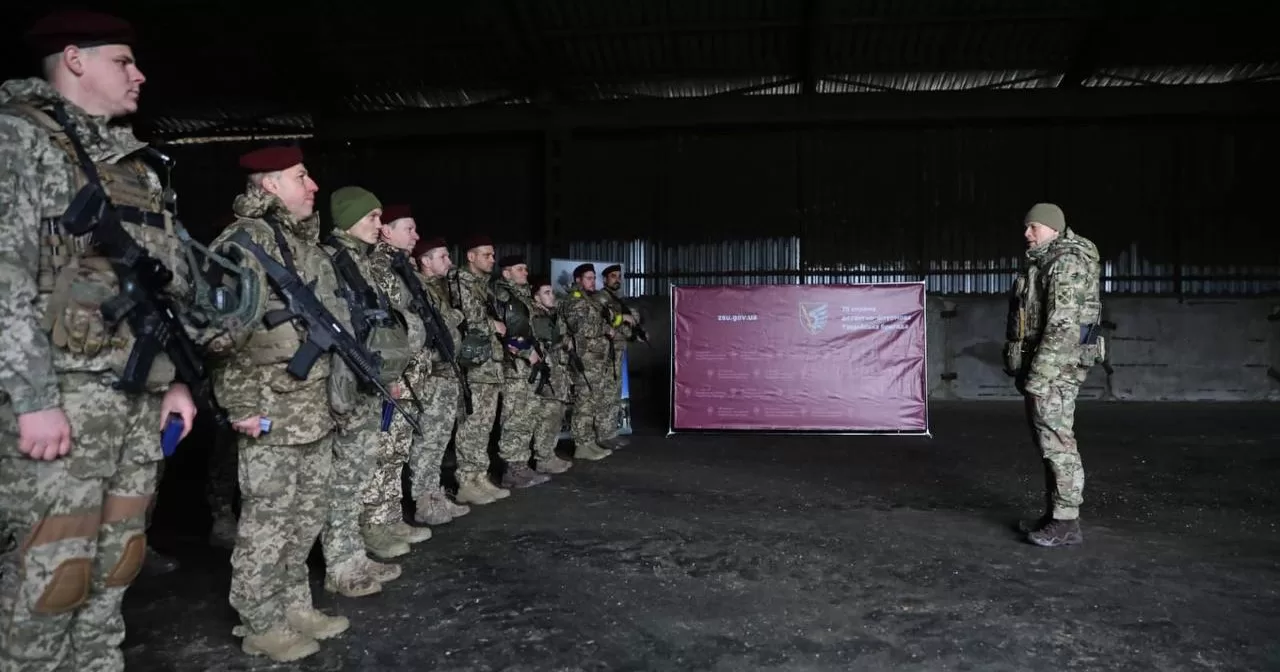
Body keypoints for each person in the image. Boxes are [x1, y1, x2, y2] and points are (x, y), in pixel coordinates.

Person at [0, 11, 205, 672]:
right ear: (75, 59)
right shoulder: (18, 141)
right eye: (124, 60)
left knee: (118, 562)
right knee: (51, 572)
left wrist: (173, 378)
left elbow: (155, 291)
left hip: (136, 394)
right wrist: (32, 398)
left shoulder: (133, 167)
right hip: (62, 392)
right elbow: (3, 276)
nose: (138, 74)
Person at [205, 146, 348, 661]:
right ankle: (259, 619)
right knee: (268, 520)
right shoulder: (244, 244)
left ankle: (294, 604)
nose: (313, 186)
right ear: (269, 185)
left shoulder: (301, 245)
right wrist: (240, 404)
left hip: (312, 407)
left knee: (306, 516)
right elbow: (223, 333)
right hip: (269, 406)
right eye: (301, 176)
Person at [318, 187, 422, 592]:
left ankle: (353, 555)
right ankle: (340, 566)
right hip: (342, 385)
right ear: (348, 219)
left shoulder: (359, 264)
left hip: (365, 383)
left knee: (357, 477)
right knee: (342, 482)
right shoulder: (332, 260)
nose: (378, 226)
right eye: (372, 217)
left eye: (382, 217)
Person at [1004, 203, 1105, 548]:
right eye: (1026, 226)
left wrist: (1040, 376)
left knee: (1058, 443)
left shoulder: (1065, 263)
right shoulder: (1047, 261)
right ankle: (1055, 514)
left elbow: (1063, 325)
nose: (1027, 233)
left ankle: (1066, 522)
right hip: (1050, 366)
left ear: (1053, 228)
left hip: (1056, 368)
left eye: (1034, 227)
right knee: (1049, 440)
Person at [409, 237, 478, 522]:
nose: (449, 263)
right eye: (443, 257)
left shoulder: (441, 288)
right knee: (427, 440)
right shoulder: (417, 286)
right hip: (432, 375)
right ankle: (424, 503)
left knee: (439, 440)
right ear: (425, 261)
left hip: (448, 372)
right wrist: (456, 315)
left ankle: (435, 494)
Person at [446, 236, 513, 504]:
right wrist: (492, 326)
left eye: (493, 255)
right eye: (487, 254)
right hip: (474, 366)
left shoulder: (483, 286)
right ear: (471, 257)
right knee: (472, 425)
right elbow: (467, 318)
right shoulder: (461, 282)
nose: (492, 259)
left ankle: (479, 477)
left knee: (484, 425)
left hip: (489, 365)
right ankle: (466, 481)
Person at [491, 255, 553, 489]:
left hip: (527, 367)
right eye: (519, 269)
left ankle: (521, 466)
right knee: (516, 418)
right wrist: (528, 354)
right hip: (515, 367)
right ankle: (513, 470)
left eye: (526, 269)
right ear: (506, 273)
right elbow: (507, 336)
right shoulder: (501, 296)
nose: (525, 272)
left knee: (528, 416)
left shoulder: (522, 297)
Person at [559, 264, 616, 461]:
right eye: (589, 278)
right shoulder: (575, 300)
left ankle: (588, 441)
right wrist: (605, 329)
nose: (593, 282)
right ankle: (581, 444)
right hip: (585, 361)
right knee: (584, 402)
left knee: (592, 401)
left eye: (594, 278)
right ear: (578, 280)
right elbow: (582, 328)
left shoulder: (588, 300)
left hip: (595, 361)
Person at [527, 276, 575, 474]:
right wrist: (562, 341)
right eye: (546, 293)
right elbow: (543, 343)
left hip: (558, 373)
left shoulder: (552, 314)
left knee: (556, 415)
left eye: (552, 292)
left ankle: (548, 453)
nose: (552, 296)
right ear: (536, 297)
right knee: (547, 416)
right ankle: (543, 457)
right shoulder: (536, 316)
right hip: (546, 374)